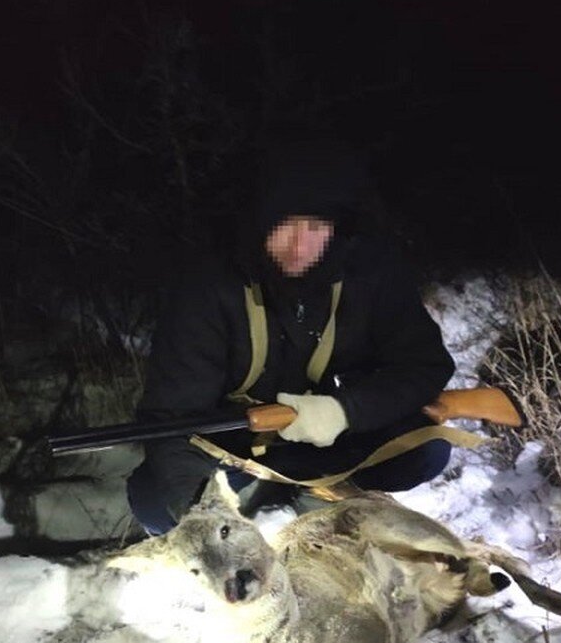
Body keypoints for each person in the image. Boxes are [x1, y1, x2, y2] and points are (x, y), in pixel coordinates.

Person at [126, 131, 456, 534]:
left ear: (338, 229)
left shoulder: (372, 270)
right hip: (238, 445)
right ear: (258, 223)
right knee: (156, 504)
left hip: (332, 435)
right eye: (285, 225)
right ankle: (258, 499)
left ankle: (322, 493)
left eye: (316, 227)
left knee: (426, 448)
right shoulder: (205, 285)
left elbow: (423, 366)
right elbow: (172, 418)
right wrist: (204, 518)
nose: (300, 247)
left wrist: (345, 411)